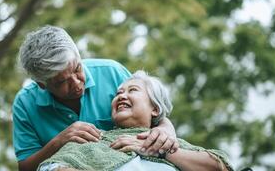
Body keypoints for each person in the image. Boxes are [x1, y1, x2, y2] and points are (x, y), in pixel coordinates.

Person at [12, 25, 178, 170]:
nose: (77, 83)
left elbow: (154, 113)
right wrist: (60, 141)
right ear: (42, 84)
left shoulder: (112, 72)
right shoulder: (24, 104)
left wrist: (166, 130)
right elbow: (26, 167)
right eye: (63, 81)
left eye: (77, 68)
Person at [37, 71, 233, 171]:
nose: (121, 96)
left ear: (155, 109)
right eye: (118, 93)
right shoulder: (91, 139)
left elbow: (220, 167)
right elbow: (50, 168)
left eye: (133, 91)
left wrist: (158, 151)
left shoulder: (169, 144)